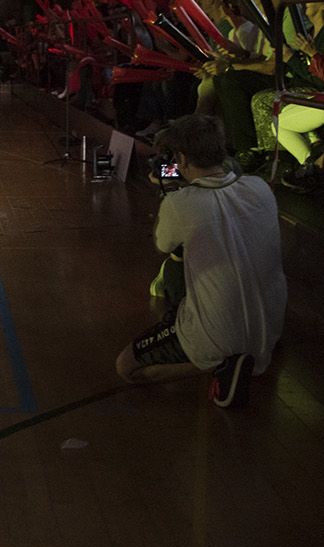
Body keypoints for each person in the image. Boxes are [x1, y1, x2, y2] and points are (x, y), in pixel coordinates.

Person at [114, 115, 286, 409]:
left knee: (126, 368)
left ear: (180, 157)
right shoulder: (259, 187)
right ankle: (233, 359)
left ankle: (220, 366)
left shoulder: (180, 204)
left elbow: (163, 245)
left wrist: (171, 194)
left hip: (215, 334)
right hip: (269, 328)